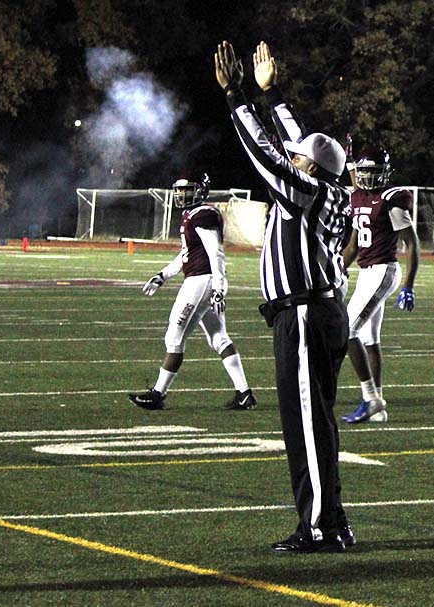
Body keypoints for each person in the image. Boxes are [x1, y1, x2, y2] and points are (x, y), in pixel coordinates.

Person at [216, 40, 352, 553]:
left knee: (305, 426)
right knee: (316, 422)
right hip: (320, 310)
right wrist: (272, 95)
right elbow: (297, 143)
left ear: (310, 168)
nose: (291, 157)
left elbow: (266, 153)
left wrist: (236, 97)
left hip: (303, 314)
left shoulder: (305, 190)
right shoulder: (325, 185)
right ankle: (331, 519)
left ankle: (318, 525)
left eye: (299, 159)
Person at [127, 172, 256, 411]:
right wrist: (163, 275)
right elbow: (186, 253)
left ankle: (158, 394)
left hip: (201, 282)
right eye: (179, 190)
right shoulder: (192, 215)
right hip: (200, 279)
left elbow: (215, 252)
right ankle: (244, 393)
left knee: (174, 338)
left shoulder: (203, 215)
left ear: (201, 191)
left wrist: (219, 287)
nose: (181, 195)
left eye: (187, 190)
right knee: (218, 337)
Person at [339, 148, 419, 424]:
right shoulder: (357, 196)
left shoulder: (392, 199)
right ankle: (379, 408)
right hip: (366, 272)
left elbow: (412, 243)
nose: (369, 177)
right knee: (369, 339)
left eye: (375, 172)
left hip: (384, 270)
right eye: (365, 172)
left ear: (385, 173)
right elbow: (352, 245)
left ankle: (371, 398)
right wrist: (337, 268)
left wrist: (409, 285)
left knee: (347, 330)